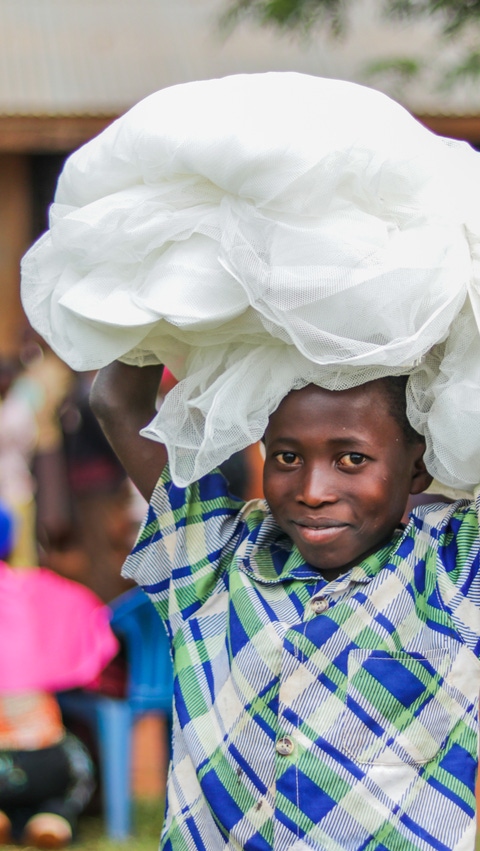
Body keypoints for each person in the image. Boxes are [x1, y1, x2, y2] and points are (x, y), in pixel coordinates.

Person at [90, 361, 479, 851]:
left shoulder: (452, 569)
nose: (313, 492)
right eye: (288, 457)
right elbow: (116, 402)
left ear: (417, 467)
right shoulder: (213, 558)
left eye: (352, 459)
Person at [0, 501, 118, 848]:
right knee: (75, 764)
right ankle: (54, 818)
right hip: (47, 755)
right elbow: (99, 640)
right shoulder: (50, 592)